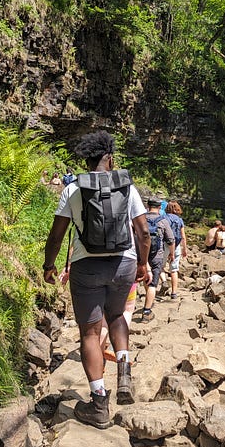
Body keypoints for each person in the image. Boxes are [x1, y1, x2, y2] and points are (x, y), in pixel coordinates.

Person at [42, 131, 150, 429]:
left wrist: (49, 265)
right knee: (116, 316)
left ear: (86, 160)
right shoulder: (127, 187)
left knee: (90, 333)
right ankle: (124, 372)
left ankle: (99, 404)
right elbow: (143, 233)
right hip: (124, 263)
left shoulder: (73, 189)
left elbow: (56, 234)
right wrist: (142, 263)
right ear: (110, 159)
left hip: (86, 265)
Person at [140, 197, 175, 322]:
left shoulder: (141, 218)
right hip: (157, 255)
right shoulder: (163, 220)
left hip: (141, 255)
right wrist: (172, 254)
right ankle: (147, 311)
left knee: (145, 278)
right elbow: (170, 239)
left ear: (148, 205)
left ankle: (147, 299)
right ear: (160, 207)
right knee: (153, 284)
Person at [164, 200, 187, 300]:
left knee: (159, 266)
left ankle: (164, 281)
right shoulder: (179, 220)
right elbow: (183, 236)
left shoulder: (164, 218)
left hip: (165, 244)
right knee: (174, 270)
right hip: (177, 245)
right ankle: (174, 293)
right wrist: (184, 249)